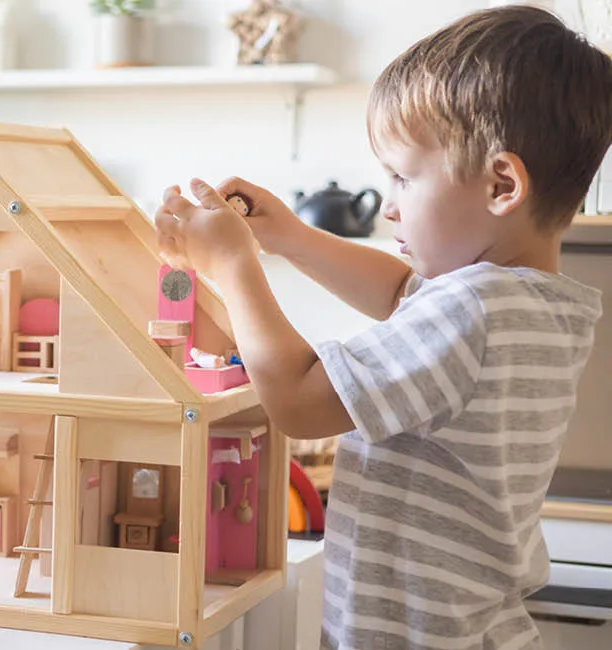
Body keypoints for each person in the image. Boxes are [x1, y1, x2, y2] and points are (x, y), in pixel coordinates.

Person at [156, 6, 610, 649]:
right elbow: (402, 291)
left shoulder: (471, 311)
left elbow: (299, 398)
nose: (389, 203)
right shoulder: (535, 304)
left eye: (403, 176)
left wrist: (234, 265)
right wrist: (293, 237)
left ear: (501, 183)